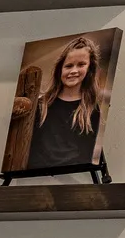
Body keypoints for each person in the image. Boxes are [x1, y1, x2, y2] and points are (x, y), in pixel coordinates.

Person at [23, 35, 109, 171]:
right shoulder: (41, 105)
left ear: (90, 69)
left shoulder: (91, 110)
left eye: (81, 64)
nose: (73, 71)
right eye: (68, 66)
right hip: (35, 173)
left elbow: (85, 154)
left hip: (74, 176)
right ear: (60, 69)